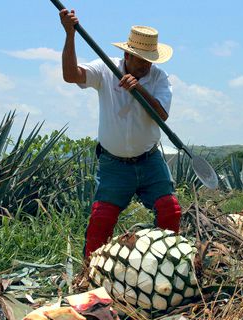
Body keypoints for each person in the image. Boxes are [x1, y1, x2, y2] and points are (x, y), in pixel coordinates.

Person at [59, 9, 181, 258]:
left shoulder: (159, 78)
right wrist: (70, 34)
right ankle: (90, 276)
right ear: (127, 54)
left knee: (171, 211)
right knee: (100, 222)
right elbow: (71, 75)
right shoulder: (105, 69)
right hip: (113, 164)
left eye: (150, 60)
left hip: (149, 161)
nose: (146, 65)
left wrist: (140, 90)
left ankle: (166, 265)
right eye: (141, 60)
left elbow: (161, 115)